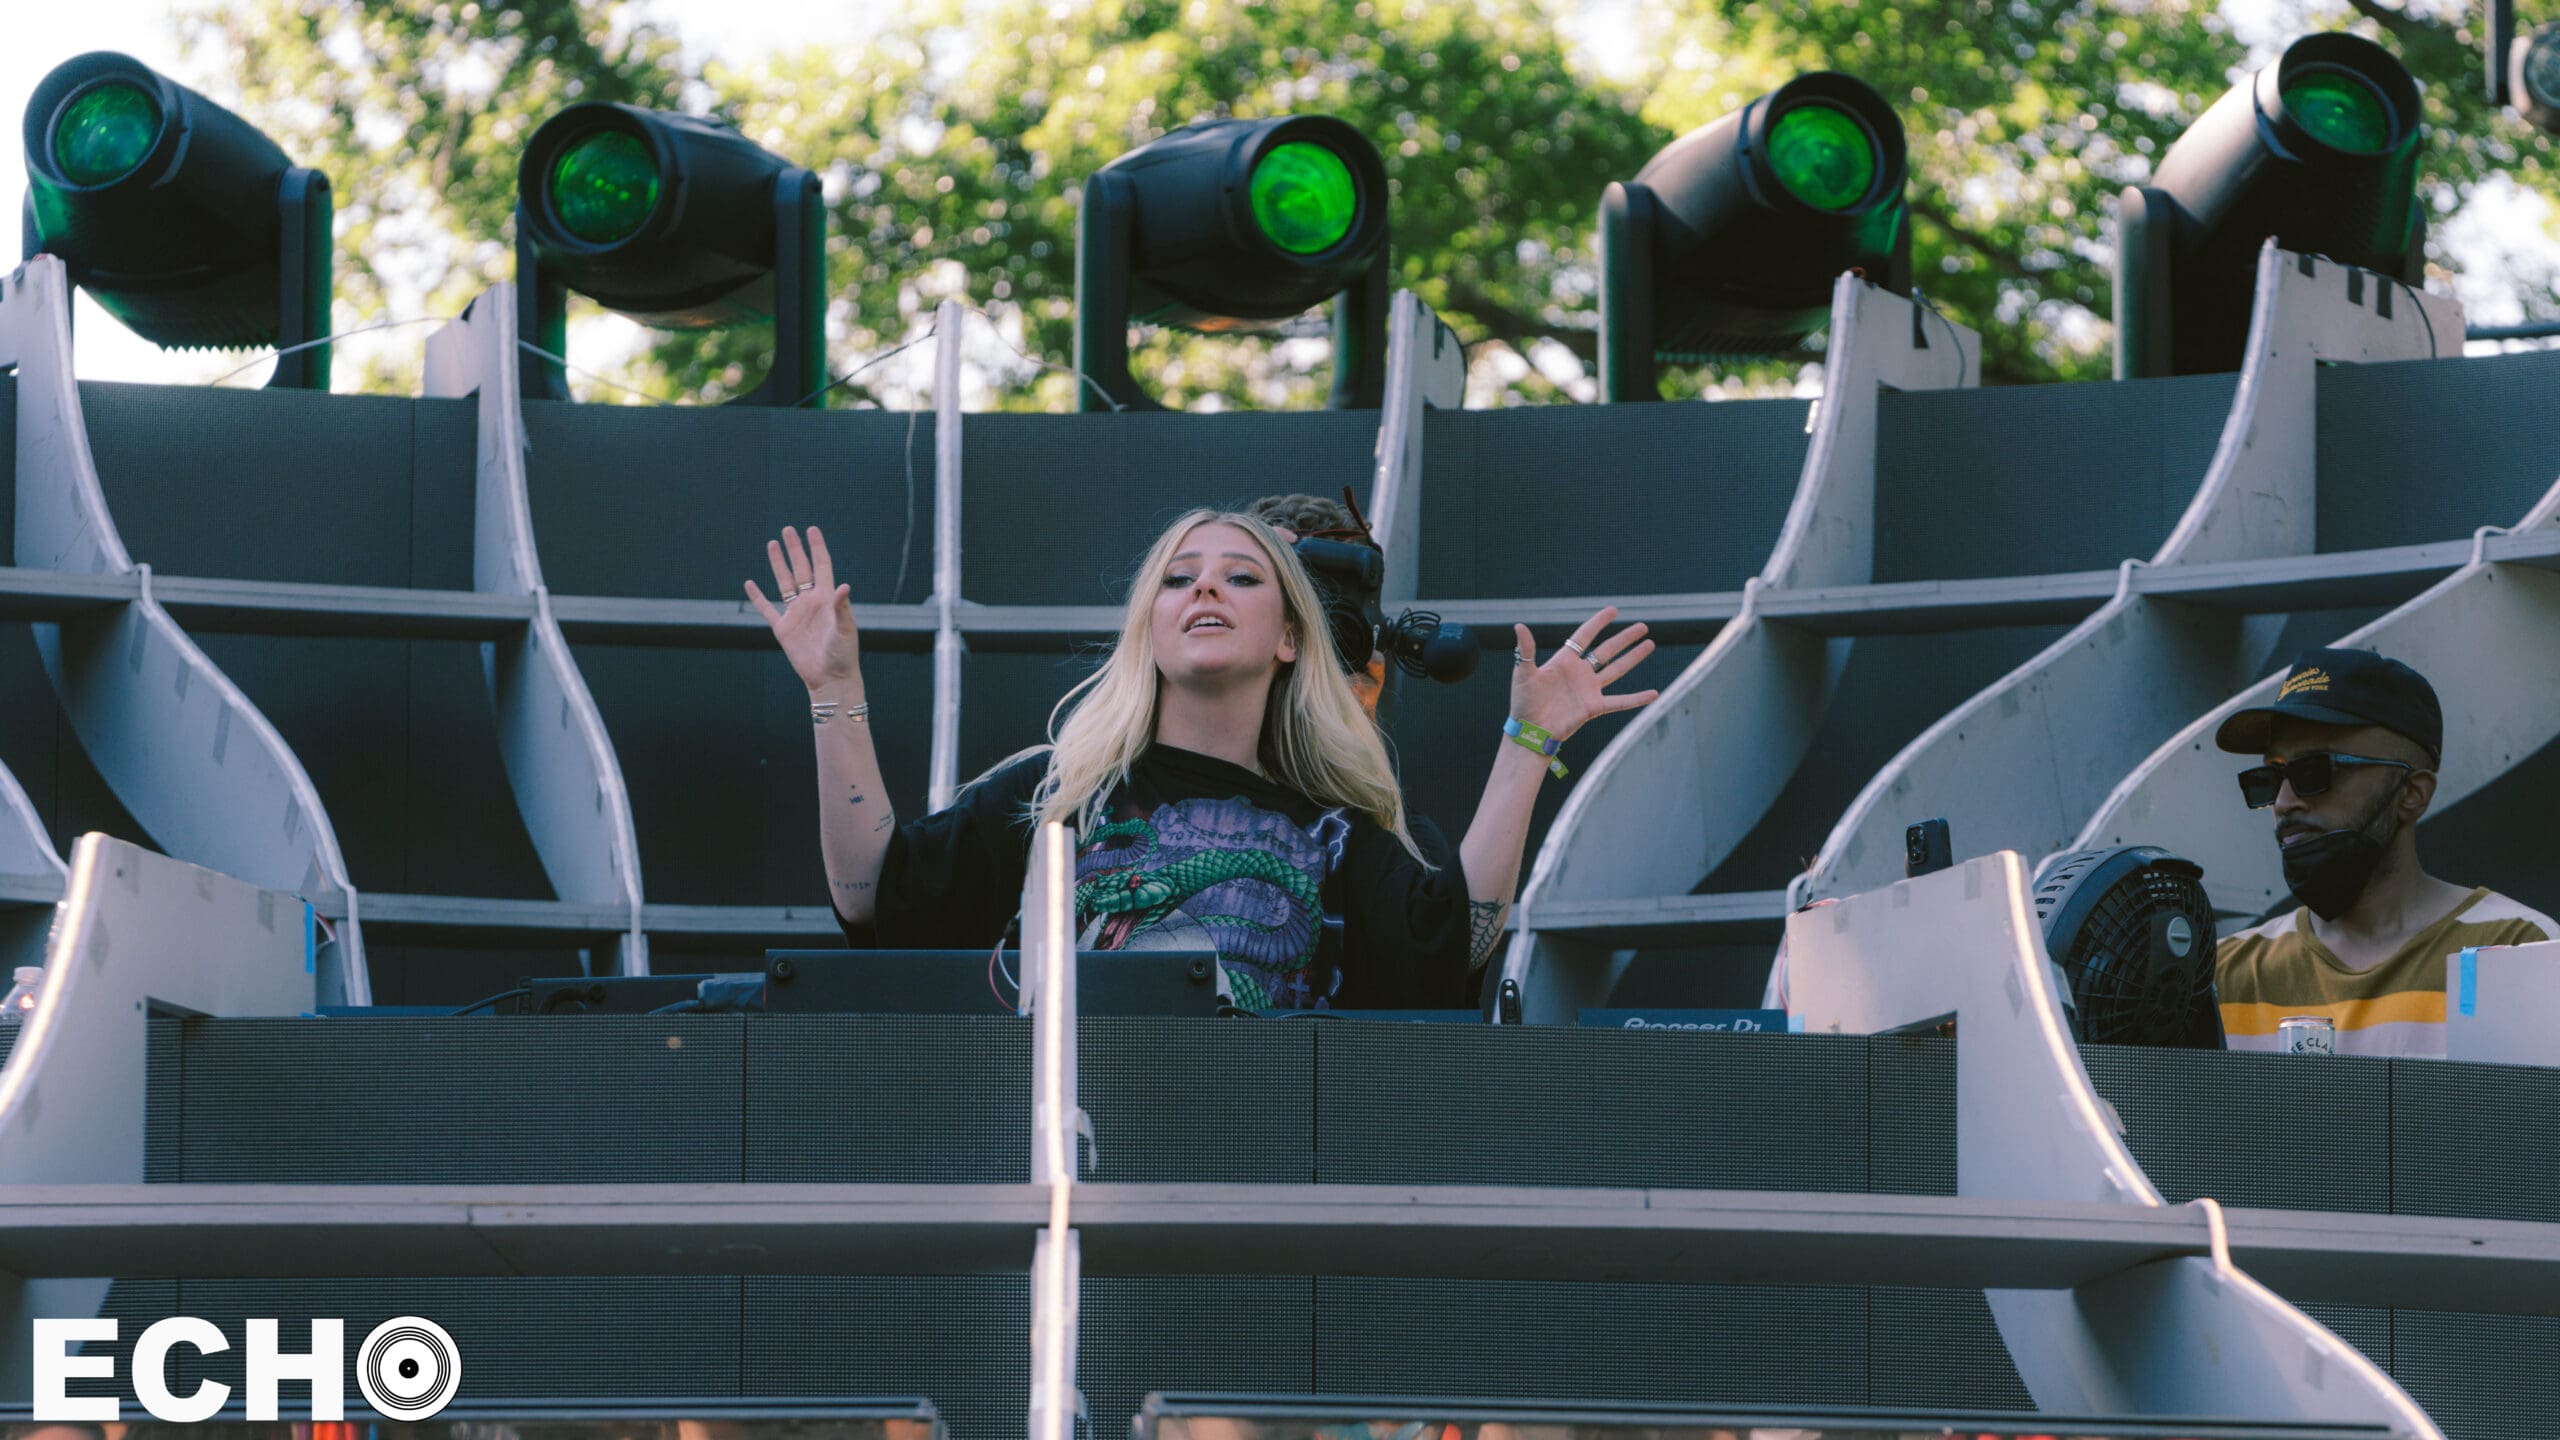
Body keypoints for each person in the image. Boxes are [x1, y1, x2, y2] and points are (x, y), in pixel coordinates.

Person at [747, 510, 1656, 1010]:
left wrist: (1529, 742)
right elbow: (875, 898)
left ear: (1291, 637)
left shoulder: (1335, 834)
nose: (1206, 586)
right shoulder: (1059, 792)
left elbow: (1450, 942)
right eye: (1179, 578)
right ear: (1150, 627)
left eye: (1241, 576)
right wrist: (834, 689)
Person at [2213, 647, 2554, 1056]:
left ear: (2411, 793)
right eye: (2269, 778)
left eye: (2313, 771)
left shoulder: (2518, 951)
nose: (2283, 802)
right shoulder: (2223, 977)